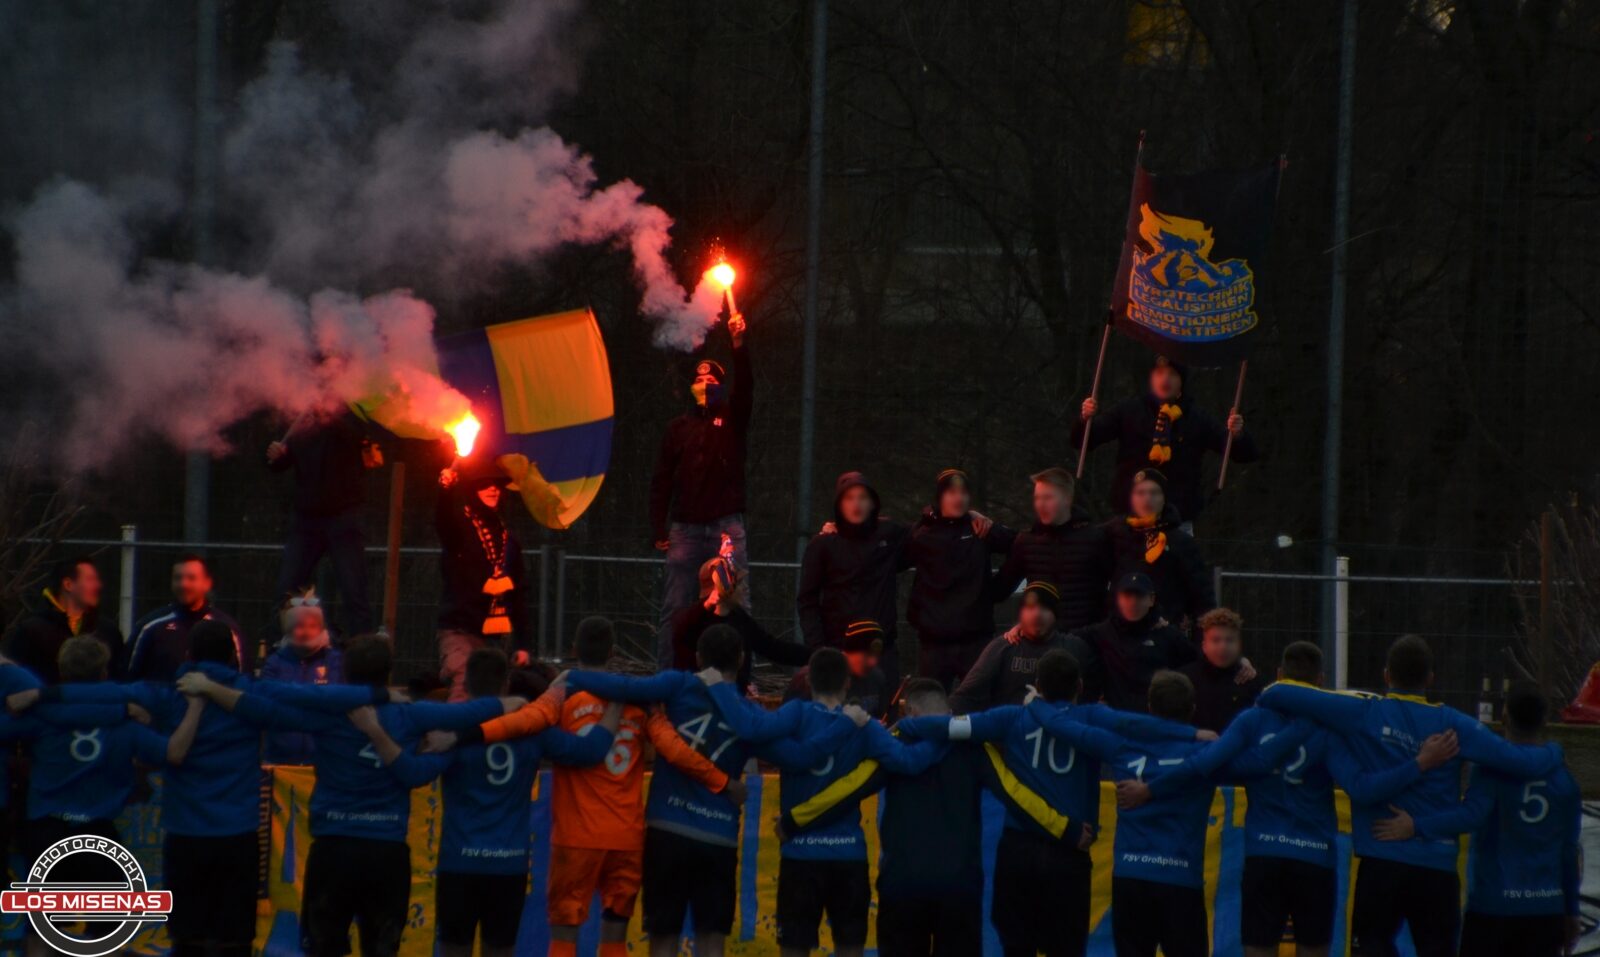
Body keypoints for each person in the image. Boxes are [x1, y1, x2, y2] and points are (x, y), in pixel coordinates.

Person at [25, 620, 381, 957]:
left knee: (187, 937)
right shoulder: (252, 695)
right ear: (233, 656)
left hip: (185, 831)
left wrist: (44, 695)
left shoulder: (166, 696)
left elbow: (95, 690)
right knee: (235, 940)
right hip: (238, 831)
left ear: (189, 657)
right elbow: (310, 705)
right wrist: (383, 698)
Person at [178, 635, 527, 957]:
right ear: (389, 672)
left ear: (344, 671)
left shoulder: (330, 715)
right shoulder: (411, 714)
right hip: (386, 853)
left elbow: (262, 708)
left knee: (324, 947)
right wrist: (512, 701)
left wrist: (211, 689)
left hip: (334, 851)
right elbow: (471, 711)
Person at [1118, 641, 1460, 957]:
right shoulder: (1327, 729)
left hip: (1264, 854)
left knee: (1258, 947)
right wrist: (1419, 764)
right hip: (1314, 859)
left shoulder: (1255, 718)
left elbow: (1212, 765)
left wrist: (1153, 786)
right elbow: (1362, 788)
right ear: (1322, 680)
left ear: (1280, 675)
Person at [440, 618, 737, 957]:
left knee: (565, 935)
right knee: (613, 938)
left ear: (573, 651)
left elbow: (527, 721)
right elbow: (673, 749)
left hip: (576, 837)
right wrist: (722, 781)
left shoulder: (562, 696)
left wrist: (466, 733)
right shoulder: (640, 703)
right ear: (612, 653)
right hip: (625, 837)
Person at [1256, 634, 1567, 957]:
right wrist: (1556, 752)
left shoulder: (1364, 712)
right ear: (1430, 678)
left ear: (1387, 675)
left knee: (1372, 947)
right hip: (1435, 867)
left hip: (1381, 861)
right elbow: (1520, 761)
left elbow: (1276, 693)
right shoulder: (1453, 724)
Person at [561, 626, 861, 957]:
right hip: (718, 837)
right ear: (742, 659)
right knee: (711, 939)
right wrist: (843, 727)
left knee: (663, 936)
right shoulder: (749, 715)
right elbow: (801, 757)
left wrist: (568, 679)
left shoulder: (678, 684)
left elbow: (626, 686)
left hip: (667, 830)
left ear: (699, 658)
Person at [900, 651, 1208, 957]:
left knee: (1017, 947)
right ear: (1080, 686)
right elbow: (1138, 725)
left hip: (1018, 850)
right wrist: (1192, 733)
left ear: (1037, 684)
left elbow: (948, 727)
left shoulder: (1011, 717)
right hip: (1070, 853)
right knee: (1066, 948)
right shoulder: (1091, 716)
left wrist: (904, 727)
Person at [367, 648, 617, 957]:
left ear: (465, 684)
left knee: (452, 948)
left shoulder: (454, 731)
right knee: (499, 950)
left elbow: (413, 773)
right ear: (506, 683)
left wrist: (375, 732)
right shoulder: (530, 728)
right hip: (508, 865)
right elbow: (589, 751)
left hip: (459, 862)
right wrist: (618, 703)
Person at [703, 648, 944, 957]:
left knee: (794, 946)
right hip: (848, 855)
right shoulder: (864, 725)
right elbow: (908, 762)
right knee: (849, 947)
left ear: (808, 682)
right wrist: (943, 735)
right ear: (847, 683)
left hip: (800, 856)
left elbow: (755, 736)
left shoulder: (795, 715)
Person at [2, 636, 202, 957]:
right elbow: (174, 752)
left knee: (41, 927)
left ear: (62, 672)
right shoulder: (126, 723)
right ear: (104, 673)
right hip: (98, 835)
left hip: (45, 833)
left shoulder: (40, 717)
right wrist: (196, 708)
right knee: (106, 933)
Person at [778, 678, 988, 957]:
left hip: (903, 885)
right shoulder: (973, 747)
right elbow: (1015, 789)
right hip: (961, 886)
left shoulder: (892, 745)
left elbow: (848, 789)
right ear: (949, 712)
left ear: (909, 712)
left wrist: (794, 820)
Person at [1371, 681, 1582, 957]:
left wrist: (1416, 826)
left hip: (1493, 906)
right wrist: (1572, 912)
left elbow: (1471, 816)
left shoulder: (1490, 769)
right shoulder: (1564, 779)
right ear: (1545, 720)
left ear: (1504, 716)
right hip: (1546, 910)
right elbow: (1569, 853)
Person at [650, 311, 752, 665]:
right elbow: (662, 477)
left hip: (726, 524)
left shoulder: (732, 420)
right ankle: (669, 676)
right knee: (676, 605)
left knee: (735, 601)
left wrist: (739, 345)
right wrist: (657, 525)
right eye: (698, 380)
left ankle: (740, 679)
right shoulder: (678, 428)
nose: (703, 385)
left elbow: (746, 389)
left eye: (711, 380)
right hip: (686, 528)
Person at [1071, 353, 1257, 528]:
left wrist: (1238, 434)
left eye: (1172, 374)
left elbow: (1242, 454)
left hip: (1177, 516)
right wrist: (1085, 419)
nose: (1165, 380)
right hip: (1129, 514)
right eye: (1159, 373)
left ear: (1181, 382)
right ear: (1151, 379)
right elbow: (1084, 441)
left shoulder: (1197, 418)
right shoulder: (1129, 411)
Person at [267, 408, 380, 637]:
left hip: (344, 517)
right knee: (286, 592)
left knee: (354, 594)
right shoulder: (298, 418)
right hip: (306, 520)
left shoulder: (354, 413)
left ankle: (364, 660)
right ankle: (277, 653)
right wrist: (274, 455)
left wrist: (329, 417)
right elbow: (280, 461)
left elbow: (362, 444)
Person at [796, 472, 910, 686]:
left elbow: (927, 532)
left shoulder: (889, 534)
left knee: (884, 715)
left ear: (873, 503)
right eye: (849, 498)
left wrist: (971, 517)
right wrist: (819, 649)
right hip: (839, 650)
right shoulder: (823, 545)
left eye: (862, 497)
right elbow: (807, 601)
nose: (856, 504)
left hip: (881, 650)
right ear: (839, 503)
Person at [905, 468, 1014, 688]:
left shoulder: (980, 529)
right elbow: (882, 540)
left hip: (975, 639)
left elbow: (1021, 545)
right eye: (951, 492)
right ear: (940, 497)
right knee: (931, 710)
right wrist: (836, 528)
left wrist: (997, 590)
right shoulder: (921, 534)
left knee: (976, 709)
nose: (958, 498)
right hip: (933, 643)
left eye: (964, 492)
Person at [437, 468, 532, 701]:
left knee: (495, 692)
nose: (492, 489)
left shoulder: (509, 542)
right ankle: (453, 735)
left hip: (495, 637)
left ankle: (487, 737)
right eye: (484, 484)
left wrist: (523, 643)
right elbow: (442, 520)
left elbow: (517, 595)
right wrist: (445, 490)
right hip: (459, 629)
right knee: (465, 678)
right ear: (471, 490)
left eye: (497, 485)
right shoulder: (459, 528)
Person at [988, 468, 1113, 633]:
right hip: (1041, 640)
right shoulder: (1027, 542)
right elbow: (999, 590)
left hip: (1086, 640)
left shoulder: (1095, 539)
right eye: (1037, 498)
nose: (1041, 504)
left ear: (1067, 499)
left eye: (1048, 497)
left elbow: (1120, 585)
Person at [667, 547, 809, 689]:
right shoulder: (693, 620)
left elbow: (772, 647)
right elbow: (680, 634)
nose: (745, 587)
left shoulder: (739, 618)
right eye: (739, 584)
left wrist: (815, 656)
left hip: (733, 698)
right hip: (699, 700)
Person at [950, 582, 1099, 714]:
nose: (1037, 614)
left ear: (1055, 615)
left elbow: (1096, 689)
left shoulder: (1074, 647)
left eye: (1045, 608)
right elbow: (966, 696)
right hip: (1009, 738)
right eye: (1030, 607)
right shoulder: (1002, 647)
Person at [1071, 573, 1198, 712]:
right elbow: (1066, 642)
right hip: (1115, 722)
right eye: (1127, 596)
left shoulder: (1167, 635)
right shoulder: (1103, 632)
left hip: (1154, 722)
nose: (1133, 602)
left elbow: (1195, 663)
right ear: (1118, 599)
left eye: (1139, 596)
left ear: (1151, 599)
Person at [1105, 469, 1213, 632]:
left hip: (1166, 633)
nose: (1147, 498)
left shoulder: (1181, 543)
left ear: (1164, 499)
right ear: (1131, 499)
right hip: (1117, 634)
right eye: (1140, 493)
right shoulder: (1112, 537)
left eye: (1154, 493)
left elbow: (1202, 599)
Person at [125, 554, 250, 681]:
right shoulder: (150, 626)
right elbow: (127, 676)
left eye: (191, 578)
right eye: (178, 578)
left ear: (207, 583)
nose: (183, 584)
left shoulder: (227, 629)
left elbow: (242, 679)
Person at [4, 556, 124, 684]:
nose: (98, 585)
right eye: (90, 580)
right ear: (68, 584)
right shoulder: (31, 631)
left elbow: (120, 678)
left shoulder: (108, 631)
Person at [258, 596, 344, 764]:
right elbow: (266, 705)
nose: (306, 632)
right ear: (289, 630)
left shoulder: (337, 662)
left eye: (312, 626)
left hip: (326, 759)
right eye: (299, 626)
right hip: (280, 759)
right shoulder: (274, 662)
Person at [784, 619, 892, 719]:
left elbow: (885, 722)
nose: (873, 662)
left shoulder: (877, 679)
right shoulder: (814, 677)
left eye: (877, 656)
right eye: (866, 655)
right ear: (848, 652)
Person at [1179, 607, 1262, 732]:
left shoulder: (1251, 681)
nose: (1223, 646)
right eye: (1216, 640)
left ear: (1239, 645)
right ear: (1204, 646)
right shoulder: (1184, 680)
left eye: (1229, 640)